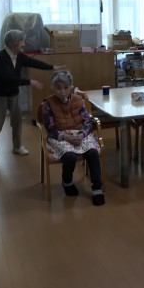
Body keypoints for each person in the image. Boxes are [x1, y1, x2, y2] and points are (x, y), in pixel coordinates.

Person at [0, 29, 65, 163]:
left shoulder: (19, 55)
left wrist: (52, 67)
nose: (24, 43)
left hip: (13, 93)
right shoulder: (1, 57)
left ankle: (17, 147)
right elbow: (9, 78)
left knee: (17, 121)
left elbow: (34, 63)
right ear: (14, 43)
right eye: (22, 41)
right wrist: (30, 82)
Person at [41, 70, 105, 206]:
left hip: (79, 133)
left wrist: (82, 134)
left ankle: (97, 188)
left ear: (70, 87)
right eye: (58, 88)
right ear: (53, 88)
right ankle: (67, 181)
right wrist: (65, 136)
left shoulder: (78, 100)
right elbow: (50, 129)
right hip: (60, 135)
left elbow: (87, 121)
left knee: (92, 152)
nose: (62, 91)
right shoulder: (47, 104)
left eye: (65, 88)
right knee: (69, 156)